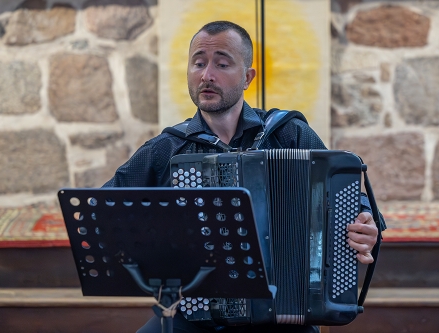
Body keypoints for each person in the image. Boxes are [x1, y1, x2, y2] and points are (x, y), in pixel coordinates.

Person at [103, 21, 378, 333]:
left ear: (247, 77)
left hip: (285, 314)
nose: (206, 75)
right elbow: (106, 210)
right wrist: (159, 244)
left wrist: (363, 221)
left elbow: (348, 196)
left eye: (222, 64)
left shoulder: (289, 133)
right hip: (197, 313)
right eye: (198, 63)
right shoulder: (167, 148)